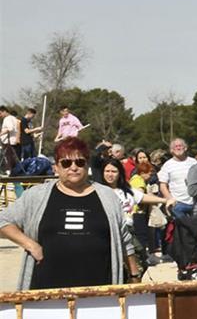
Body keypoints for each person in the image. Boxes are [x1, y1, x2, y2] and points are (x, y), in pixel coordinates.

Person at [0, 137, 138, 289]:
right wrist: (31, 245)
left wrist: (134, 275)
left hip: (100, 294)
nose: (73, 167)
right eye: (66, 163)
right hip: (46, 293)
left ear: (87, 165)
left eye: (79, 162)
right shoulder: (37, 195)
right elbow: (3, 221)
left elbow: (125, 240)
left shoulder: (107, 196)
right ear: (56, 167)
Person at [99, 158, 170, 272]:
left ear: (119, 173)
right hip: (109, 232)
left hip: (128, 231)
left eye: (113, 171)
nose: (110, 175)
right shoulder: (98, 191)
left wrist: (166, 200)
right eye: (107, 171)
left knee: (140, 262)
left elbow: (143, 197)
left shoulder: (126, 190)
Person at [157, 138, 197, 218]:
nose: (178, 148)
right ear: (171, 150)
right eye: (175, 146)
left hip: (195, 202)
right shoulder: (167, 165)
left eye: (180, 146)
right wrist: (170, 199)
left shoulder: (194, 162)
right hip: (178, 203)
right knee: (183, 228)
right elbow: (163, 185)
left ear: (185, 148)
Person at [0, 106, 20, 173]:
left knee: (8, 157)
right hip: (13, 141)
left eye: (0, 113)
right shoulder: (14, 118)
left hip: (8, 141)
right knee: (12, 157)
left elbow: (10, 128)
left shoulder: (7, 119)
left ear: (4, 111)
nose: (0, 115)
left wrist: (1, 134)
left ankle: (9, 171)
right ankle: (13, 170)